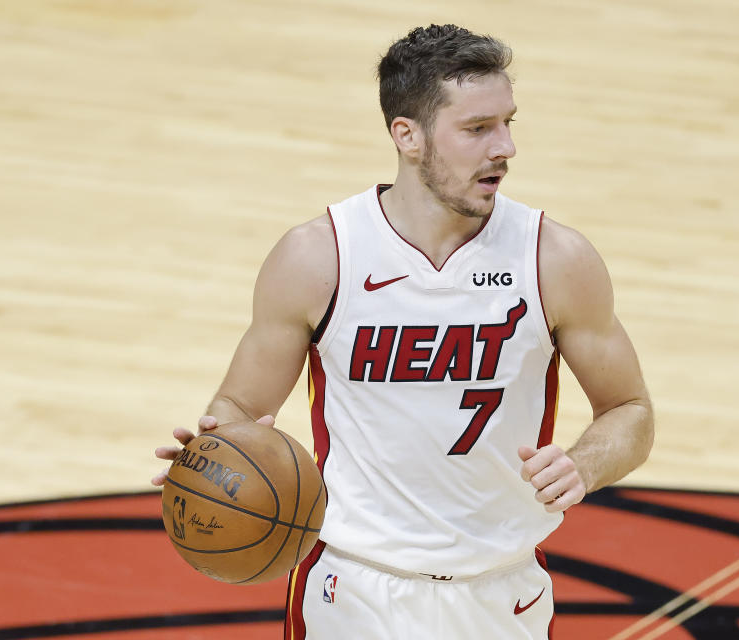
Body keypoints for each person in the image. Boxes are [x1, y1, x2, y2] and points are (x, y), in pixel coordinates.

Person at [153, 24, 652, 640]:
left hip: (500, 592)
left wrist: (584, 463)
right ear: (407, 135)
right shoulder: (318, 257)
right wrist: (215, 453)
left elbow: (630, 411)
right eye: (477, 129)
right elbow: (241, 405)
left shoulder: (555, 259)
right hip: (352, 590)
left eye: (507, 123)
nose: (505, 148)